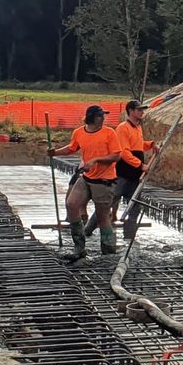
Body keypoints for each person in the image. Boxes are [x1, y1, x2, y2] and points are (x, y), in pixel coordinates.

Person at [51, 105, 137, 259]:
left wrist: (96, 159)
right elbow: (72, 148)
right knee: (71, 204)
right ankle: (79, 247)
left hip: (104, 181)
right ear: (91, 118)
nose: (103, 118)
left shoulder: (109, 133)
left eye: (103, 115)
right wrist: (55, 152)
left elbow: (116, 156)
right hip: (86, 178)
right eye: (99, 116)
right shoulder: (79, 132)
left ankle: (108, 250)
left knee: (103, 216)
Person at [113, 98, 151, 239]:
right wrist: (140, 165)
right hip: (123, 173)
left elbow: (139, 145)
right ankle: (89, 230)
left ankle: (129, 237)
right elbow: (124, 152)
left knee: (135, 207)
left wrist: (151, 145)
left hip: (136, 174)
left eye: (142, 110)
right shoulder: (123, 128)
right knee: (110, 202)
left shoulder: (138, 127)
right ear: (130, 111)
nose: (142, 112)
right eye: (139, 109)